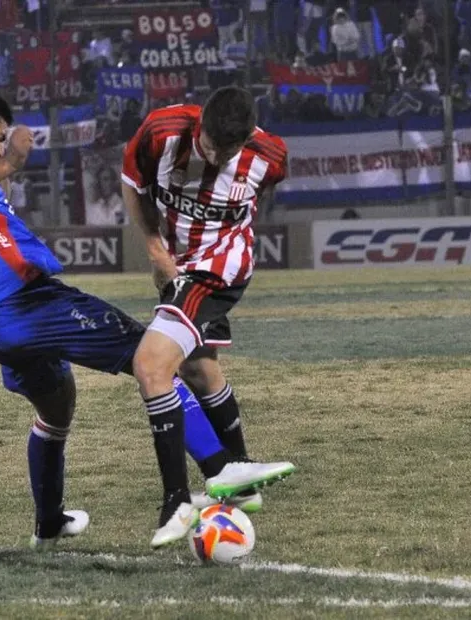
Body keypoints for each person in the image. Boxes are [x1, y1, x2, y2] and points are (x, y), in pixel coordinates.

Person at [0, 89, 294, 548]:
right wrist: (8, 165)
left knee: (57, 408)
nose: (0, 147)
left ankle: (49, 520)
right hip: (23, 299)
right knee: (153, 357)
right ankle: (220, 469)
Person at [121, 86, 296, 527]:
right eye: (209, 146)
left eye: (227, 151)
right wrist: (156, 250)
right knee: (197, 368)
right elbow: (132, 185)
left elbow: (262, 191)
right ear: (200, 126)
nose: (215, 158)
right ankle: (239, 475)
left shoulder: (270, 156)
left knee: (150, 365)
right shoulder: (162, 132)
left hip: (218, 271)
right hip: (176, 267)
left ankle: (177, 499)